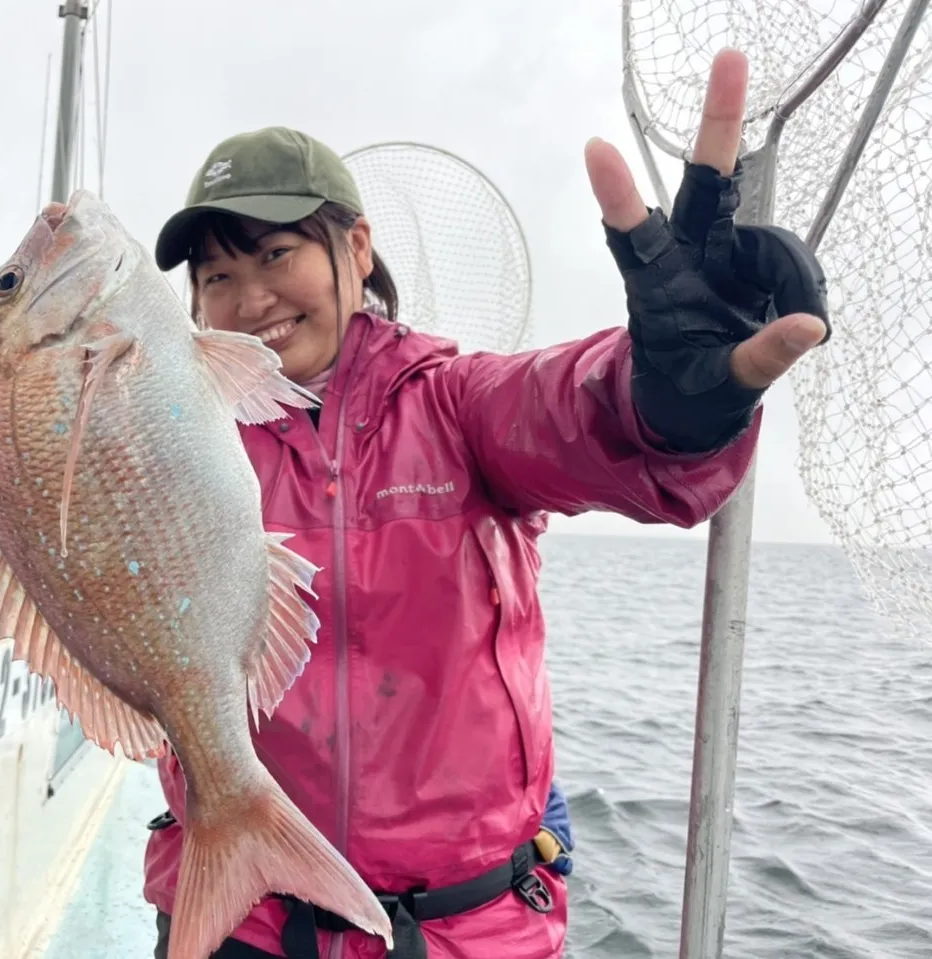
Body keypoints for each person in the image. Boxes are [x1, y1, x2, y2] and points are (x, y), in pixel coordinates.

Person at [141, 48, 829, 959]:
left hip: (460, 933)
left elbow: (580, 408)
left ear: (355, 248)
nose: (249, 297)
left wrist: (670, 392)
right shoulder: (183, 448)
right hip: (237, 919)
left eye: (274, 253)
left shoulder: (457, 404)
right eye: (215, 278)